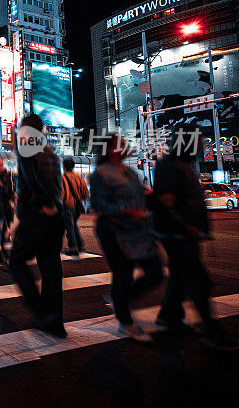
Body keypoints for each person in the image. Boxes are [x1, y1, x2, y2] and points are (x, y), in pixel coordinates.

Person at [151, 128, 239, 351]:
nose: (200, 145)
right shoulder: (170, 165)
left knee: (181, 278)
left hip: (185, 234)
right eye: (197, 141)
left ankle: (168, 316)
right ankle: (212, 333)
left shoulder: (182, 164)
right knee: (199, 283)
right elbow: (166, 202)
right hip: (178, 235)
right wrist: (184, 227)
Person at [90, 134, 163, 343]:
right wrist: (124, 210)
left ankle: (121, 300)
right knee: (123, 274)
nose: (125, 146)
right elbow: (99, 204)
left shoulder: (130, 172)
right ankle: (126, 321)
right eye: (120, 143)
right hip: (113, 231)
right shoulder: (100, 174)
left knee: (155, 270)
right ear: (110, 149)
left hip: (138, 231)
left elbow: (141, 195)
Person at [8, 114, 67, 338]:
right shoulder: (49, 150)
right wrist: (53, 204)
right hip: (55, 216)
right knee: (51, 268)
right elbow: (55, 181)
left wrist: (44, 204)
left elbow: (32, 179)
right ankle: (56, 323)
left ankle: (42, 312)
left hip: (37, 213)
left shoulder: (26, 144)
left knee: (17, 263)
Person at [60, 158, 89, 256]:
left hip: (67, 205)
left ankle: (73, 248)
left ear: (64, 167)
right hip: (78, 206)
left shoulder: (62, 178)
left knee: (70, 226)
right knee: (73, 225)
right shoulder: (80, 178)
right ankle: (80, 245)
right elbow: (86, 194)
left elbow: (61, 194)